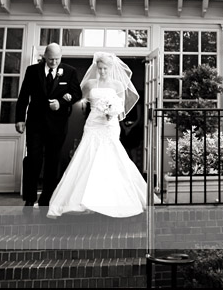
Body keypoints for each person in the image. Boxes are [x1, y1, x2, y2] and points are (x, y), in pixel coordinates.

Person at [47, 52, 152, 218]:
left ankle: (113, 199)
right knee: (87, 156)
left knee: (112, 157)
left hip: (109, 125)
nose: (102, 72)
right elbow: (75, 95)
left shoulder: (118, 85)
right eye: (100, 68)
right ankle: (83, 200)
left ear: (110, 68)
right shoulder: (89, 84)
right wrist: (62, 99)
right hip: (93, 124)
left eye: (105, 69)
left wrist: (112, 112)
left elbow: (120, 106)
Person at [15, 43, 83, 209]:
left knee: (53, 161)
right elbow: (24, 95)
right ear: (45, 56)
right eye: (51, 59)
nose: (54, 62)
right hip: (35, 123)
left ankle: (47, 199)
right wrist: (19, 119)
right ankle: (29, 198)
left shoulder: (69, 71)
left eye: (57, 59)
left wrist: (61, 103)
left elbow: (77, 94)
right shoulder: (32, 71)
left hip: (58, 124)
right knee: (33, 159)